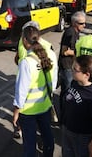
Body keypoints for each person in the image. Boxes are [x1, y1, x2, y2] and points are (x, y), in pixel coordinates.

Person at [13, 26, 58, 157]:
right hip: (44, 106)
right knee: (47, 135)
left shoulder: (27, 62)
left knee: (29, 143)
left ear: (25, 40)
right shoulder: (48, 54)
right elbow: (52, 81)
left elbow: (21, 90)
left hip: (28, 111)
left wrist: (16, 111)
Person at [61, 55, 92, 157]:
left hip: (83, 137)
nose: (72, 70)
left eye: (75, 69)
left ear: (86, 74)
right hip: (68, 131)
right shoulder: (75, 83)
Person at [58, 11, 86, 113]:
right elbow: (64, 51)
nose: (84, 25)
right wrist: (79, 52)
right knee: (67, 91)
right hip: (67, 66)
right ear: (74, 23)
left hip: (71, 66)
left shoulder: (75, 32)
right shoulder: (70, 32)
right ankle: (64, 114)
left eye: (84, 23)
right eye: (81, 23)